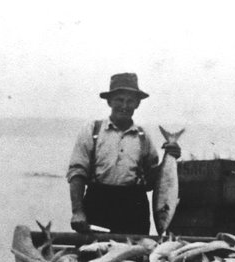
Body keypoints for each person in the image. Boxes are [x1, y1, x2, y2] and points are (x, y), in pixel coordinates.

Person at [67, 72, 182, 235]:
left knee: (135, 258)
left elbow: (151, 182)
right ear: (109, 101)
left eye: (130, 101)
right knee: (93, 257)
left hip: (133, 210)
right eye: (119, 100)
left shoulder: (144, 137)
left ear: (137, 104)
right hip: (97, 206)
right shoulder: (92, 130)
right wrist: (77, 211)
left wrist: (170, 157)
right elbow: (77, 173)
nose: (125, 106)